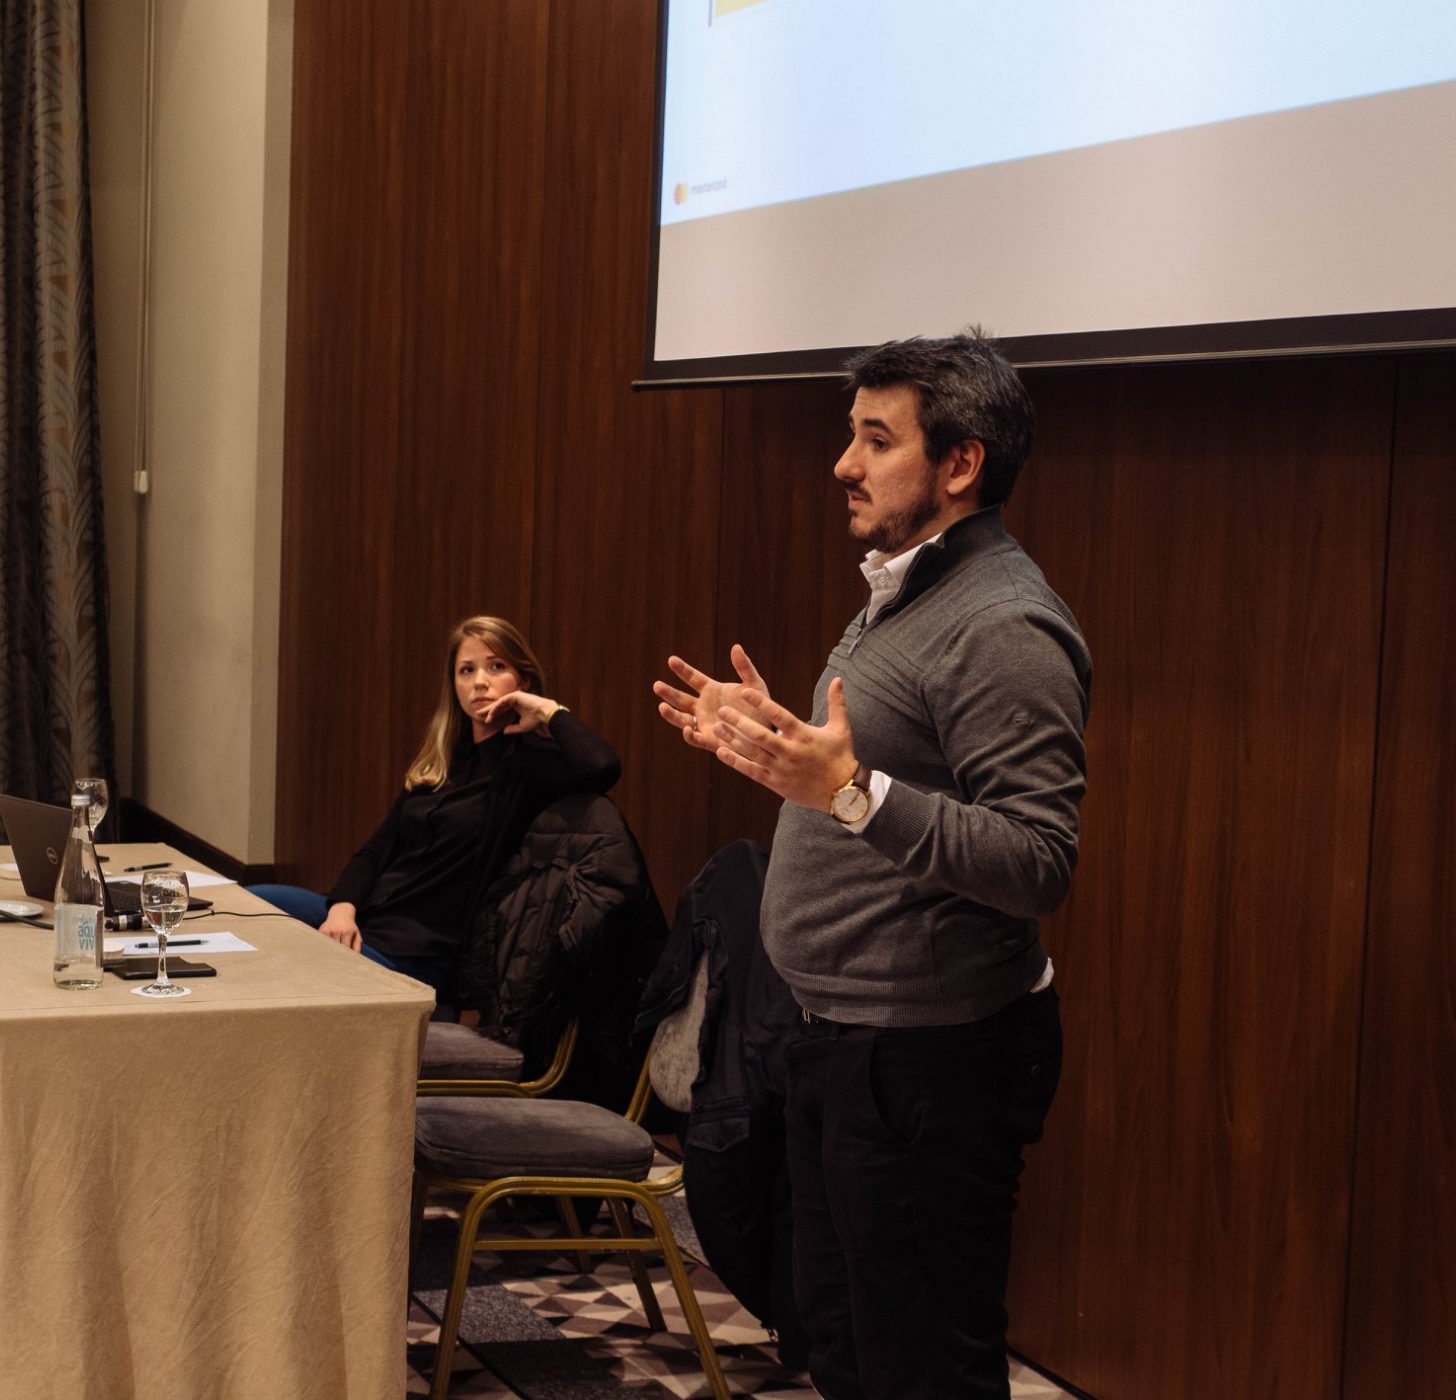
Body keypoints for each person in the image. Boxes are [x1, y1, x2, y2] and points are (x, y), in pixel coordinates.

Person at [652, 330, 1090, 1400]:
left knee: (920, 1369)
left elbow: (1037, 858)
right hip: (841, 1042)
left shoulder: (1004, 622)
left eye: (877, 440)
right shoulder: (908, 588)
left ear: (960, 463)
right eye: (851, 435)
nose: (844, 464)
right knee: (844, 1351)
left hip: (928, 1064)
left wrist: (849, 790)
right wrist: (777, 746)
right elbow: (870, 771)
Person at [254, 615, 619, 1002]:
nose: (480, 681)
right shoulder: (441, 765)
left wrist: (546, 710)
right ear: (454, 685)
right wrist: (342, 908)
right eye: (467, 670)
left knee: (292, 969)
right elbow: (377, 849)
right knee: (248, 902)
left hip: (415, 952)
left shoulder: (529, 765)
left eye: (496, 666)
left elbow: (602, 766)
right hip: (367, 919)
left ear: (522, 680)